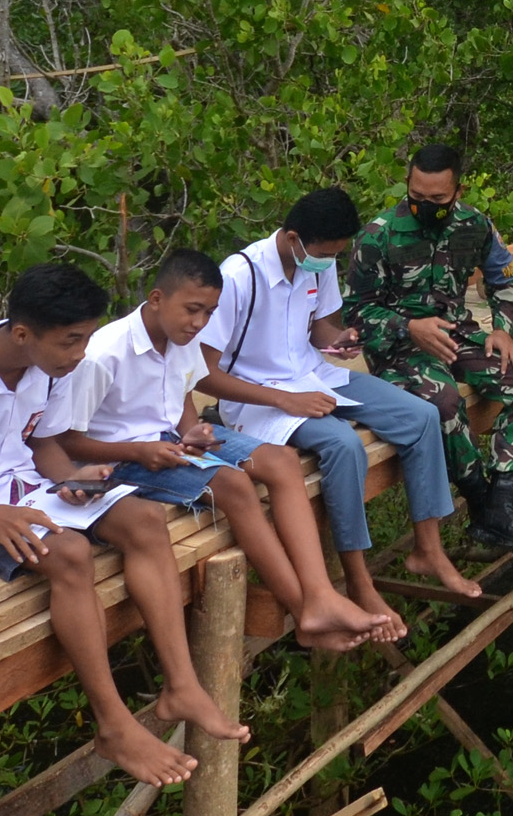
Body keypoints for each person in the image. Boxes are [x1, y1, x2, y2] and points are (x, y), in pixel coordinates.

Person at [0, 262, 247, 789]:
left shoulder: (49, 367)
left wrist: (70, 478)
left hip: (17, 490)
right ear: (23, 334)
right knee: (70, 554)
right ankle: (113, 725)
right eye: (71, 342)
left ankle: (181, 685)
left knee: (140, 518)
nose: (81, 354)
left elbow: (42, 443)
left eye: (86, 338)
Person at [48, 249, 397, 652]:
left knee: (281, 462)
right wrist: (142, 451)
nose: (199, 323)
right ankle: (304, 611)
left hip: (166, 441)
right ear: (158, 298)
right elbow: (66, 442)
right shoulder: (103, 354)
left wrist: (193, 433)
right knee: (234, 485)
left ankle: (320, 593)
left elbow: (180, 401)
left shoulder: (182, 338)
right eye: (192, 310)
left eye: (209, 313)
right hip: (118, 458)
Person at [194, 187, 482, 614]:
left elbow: (321, 330)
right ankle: (358, 579)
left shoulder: (317, 263)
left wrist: (341, 341)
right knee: (343, 446)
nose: (329, 261)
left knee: (422, 416)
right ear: (294, 238)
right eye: (325, 252)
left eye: (336, 254)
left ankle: (428, 549)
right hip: (258, 399)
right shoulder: (239, 277)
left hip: (317, 375)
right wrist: (285, 401)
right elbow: (205, 374)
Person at [350, 143, 513, 558]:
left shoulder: (474, 225)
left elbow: (507, 278)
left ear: (458, 191)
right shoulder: (378, 235)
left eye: (437, 199)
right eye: (417, 197)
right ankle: (480, 502)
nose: (426, 206)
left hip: (458, 336)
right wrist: (408, 326)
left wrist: (504, 330)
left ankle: (502, 503)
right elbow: (354, 313)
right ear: (408, 185)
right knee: (443, 403)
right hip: (399, 349)